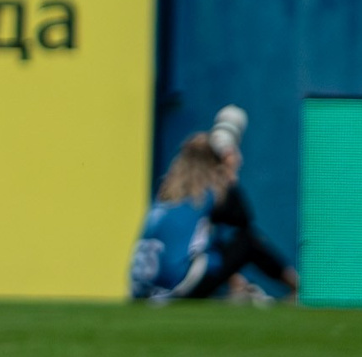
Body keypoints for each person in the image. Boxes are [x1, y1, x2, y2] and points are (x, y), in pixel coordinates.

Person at [128, 107, 298, 302]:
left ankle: (237, 287)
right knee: (246, 241)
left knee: (205, 240)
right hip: (178, 286)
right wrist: (229, 175)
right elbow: (243, 220)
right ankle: (297, 287)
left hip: (143, 289)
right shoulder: (208, 195)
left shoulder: (166, 192)